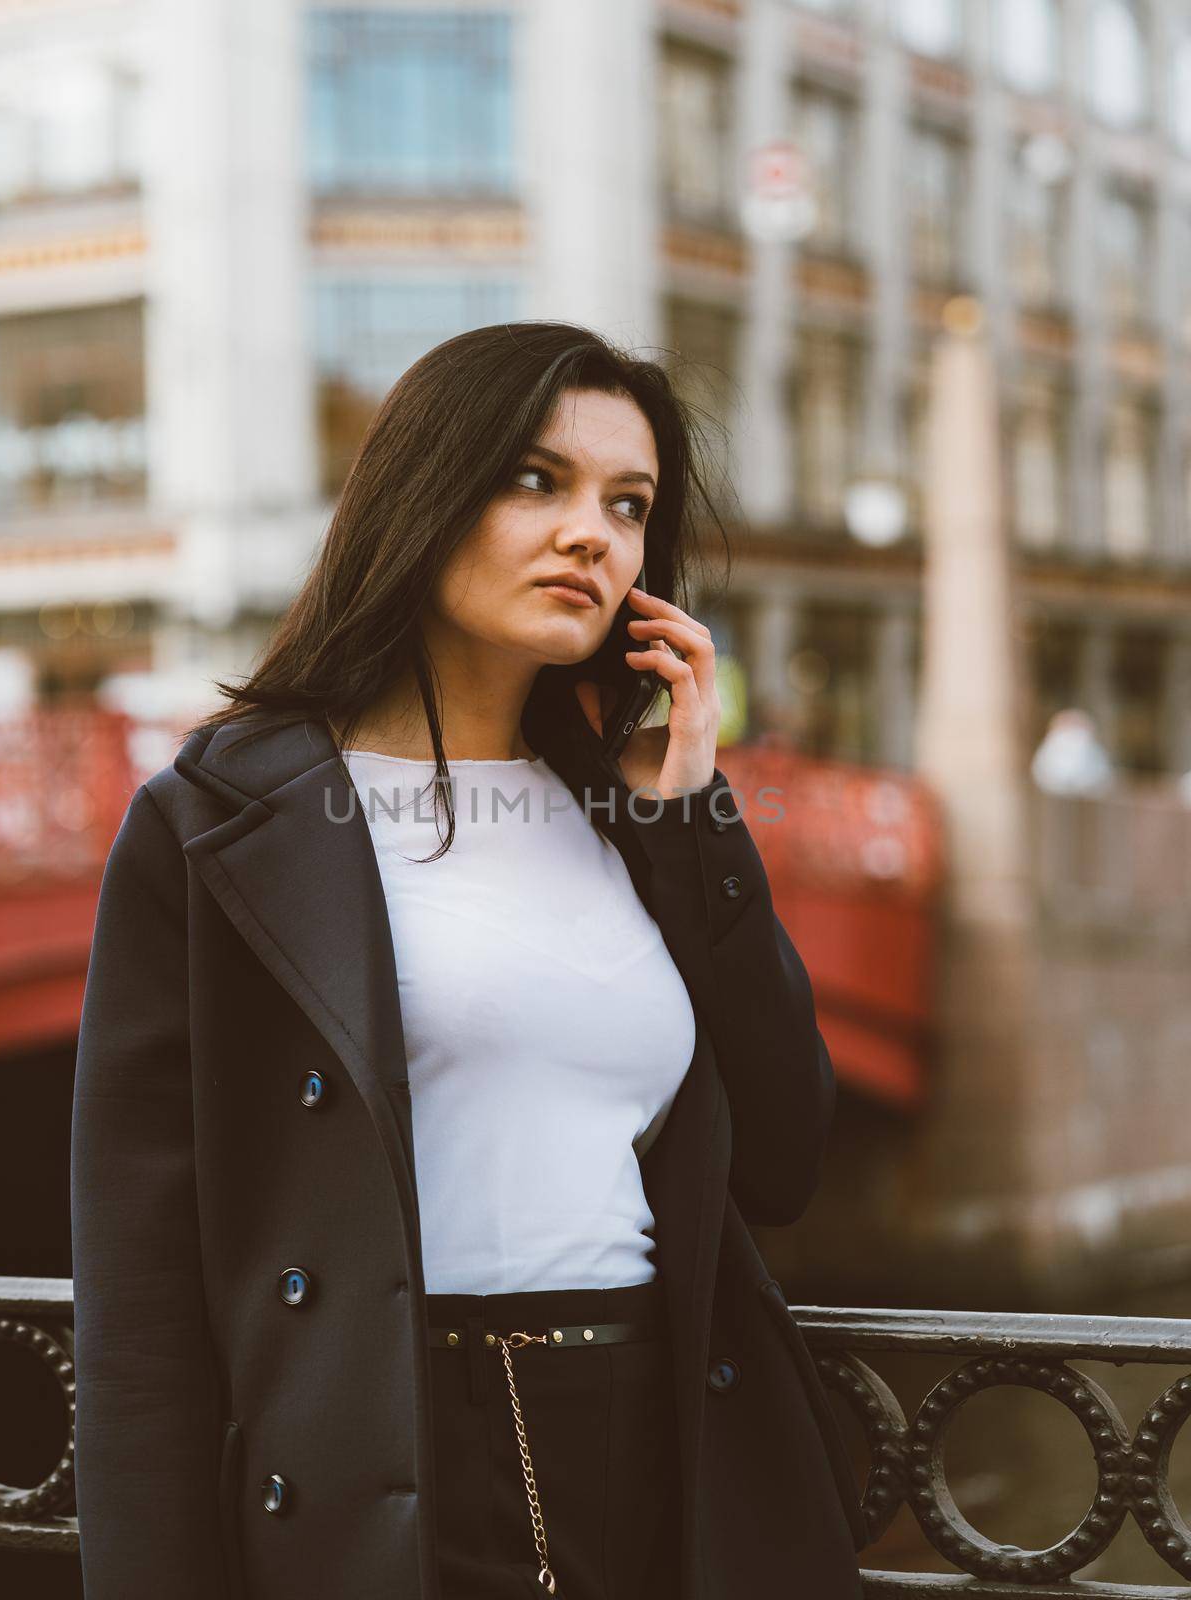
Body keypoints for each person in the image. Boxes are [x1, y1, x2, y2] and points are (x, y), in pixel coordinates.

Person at [70, 320, 867, 1600]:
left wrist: (692, 813)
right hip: (389, 1466)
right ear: (426, 491)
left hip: (671, 1458)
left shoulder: (628, 815)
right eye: (535, 480)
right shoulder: (220, 821)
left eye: (628, 504)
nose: (591, 535)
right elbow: (142, 1299)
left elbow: (782, 1156)